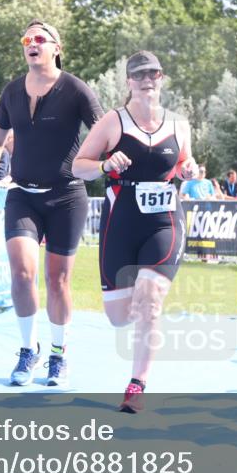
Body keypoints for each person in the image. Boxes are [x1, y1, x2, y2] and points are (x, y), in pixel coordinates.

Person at [0, 19, 104, 387]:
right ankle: (27, 349)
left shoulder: (76, 89)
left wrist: (105, 167)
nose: (32, 44)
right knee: (21, 272)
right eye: (27, 40)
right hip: (23, 195)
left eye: (40, 39)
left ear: (56, 48)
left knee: (58, 279)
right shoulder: (12, 91)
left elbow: (103, 134)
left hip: (67, 196)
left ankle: (58, 356)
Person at [72, 50, 198, 413]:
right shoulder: (113, 122)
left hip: (165, 222)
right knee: (119, 316)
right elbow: (80, 167)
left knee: (150, 299)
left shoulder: (179, 123)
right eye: (139, 75)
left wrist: (189, 169)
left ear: (162, 79)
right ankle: (141, 328)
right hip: (120, 223)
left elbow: (185, 162)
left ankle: (137, 384)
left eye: (154, 74)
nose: (147, 80)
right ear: (128, 81)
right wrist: (105, 163)